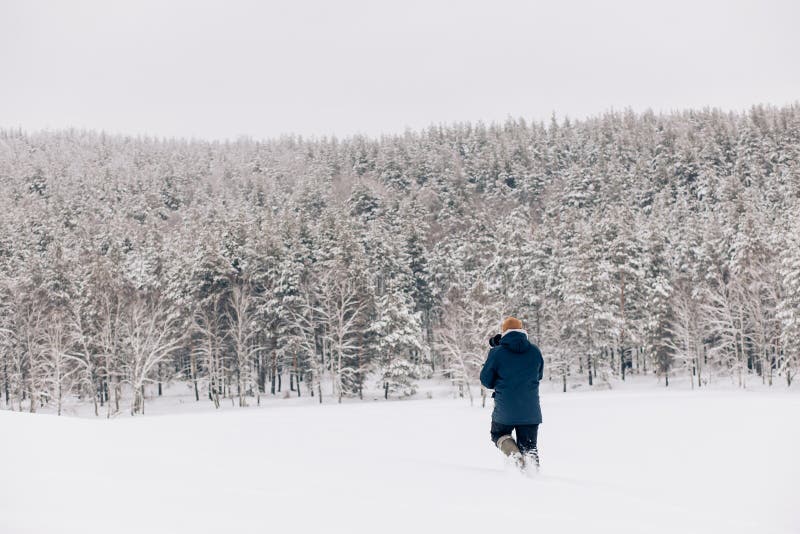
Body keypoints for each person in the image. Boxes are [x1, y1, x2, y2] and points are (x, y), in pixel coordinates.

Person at [479, 316, 544, 471]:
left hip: (505, 409)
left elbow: (486, 380)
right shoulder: (535, 351)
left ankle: (515, 456)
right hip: (530, 410)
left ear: (504, 333)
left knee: (499, 434)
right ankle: (534, 476)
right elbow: (538, 375)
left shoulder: (496, 352)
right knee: (529, 447)